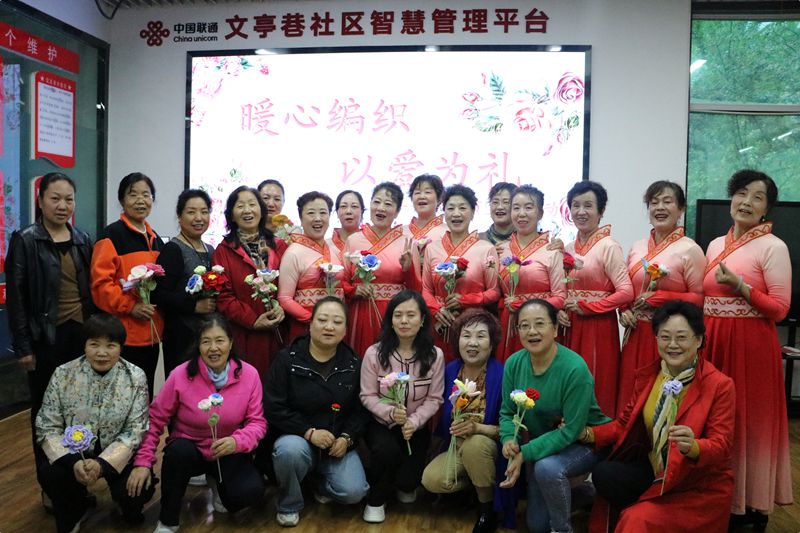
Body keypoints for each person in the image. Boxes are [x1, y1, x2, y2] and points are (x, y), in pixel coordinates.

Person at [585, 301, 735, 533]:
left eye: (681, 337)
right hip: (657, 470)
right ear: (656, 339)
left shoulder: (720, 385)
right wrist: (586, 433)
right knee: (604, 473)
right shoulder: (650, 375)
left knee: (636, 520)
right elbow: (623, 425)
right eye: (665, 337)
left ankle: (642, 514)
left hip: (694, 481)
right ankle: (646, 508)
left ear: (699, 340)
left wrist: (694, 446)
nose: (672, 345)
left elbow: (722, 445)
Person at [702, 169, 792, 527]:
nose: (747, 202)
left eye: (758, 197)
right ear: (731, 198)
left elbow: (780, 309)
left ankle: (752, 506)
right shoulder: (714, 245)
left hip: (752, 348)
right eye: (741, 193)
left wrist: (741, 286)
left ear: (767, 208)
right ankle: (720, 498)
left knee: (750, 422)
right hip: (714, 343)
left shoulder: (773, 247)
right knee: (717, 420)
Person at [128, 313, 267, 533]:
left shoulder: (249, 375)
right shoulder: (180, 375)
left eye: (220, 340)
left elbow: (257, 422)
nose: (214, 348)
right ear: (198, 346)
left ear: (231, 343)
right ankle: (168, 520)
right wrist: (143, 462)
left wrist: (237, 441)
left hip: (228, 449)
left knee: (249, 492)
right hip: (189, 449)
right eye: (206, 341)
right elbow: (154, 420)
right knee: (177, 453)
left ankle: (217, 482)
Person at [5, 172, 95, 502]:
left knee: (79, 411)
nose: (62, 205)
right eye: (55, 198)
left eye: (68, 199)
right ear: (40, 201)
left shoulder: (83, 239)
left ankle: (76, 481)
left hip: (80, 337)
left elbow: (91, 293)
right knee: (46, 415)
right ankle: (51, 485)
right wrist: (24, 347)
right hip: (46, 340)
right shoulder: (26, 240)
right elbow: (17, 299)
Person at [35, 313, 155, 533]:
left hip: (118, 455)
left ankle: (126, 506)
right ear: (84, 345)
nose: (102, 352)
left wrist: (102, 464)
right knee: (50, 473)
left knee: (136, 492)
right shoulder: (63, 374)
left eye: (110, 345)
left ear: (121, 347)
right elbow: (47, 425)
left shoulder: (135, 376)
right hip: (74, 453)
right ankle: (76, 507)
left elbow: (135, 429)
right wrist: (72, 462)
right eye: (94, 344)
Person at [499, 299, 610, 533]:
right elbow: (508, 412)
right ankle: (586, 494)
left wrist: (525, 453)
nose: (532, 331)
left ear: (556, 329)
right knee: (536, 525)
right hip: (545, 445)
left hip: (584, 441)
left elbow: (571, 431)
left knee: (546, 468)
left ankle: (562, 529)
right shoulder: (513, 364)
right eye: (524, 325)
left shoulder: (574, 369)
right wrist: (509, 439)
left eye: (540, 323)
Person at [265, 297, 371, 527]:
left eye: (337, 322)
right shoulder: (287, 359)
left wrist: (347, 437)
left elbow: (361, 410)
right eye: (322, 320)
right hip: (298, 440)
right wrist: (308, 432)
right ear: (310, 324)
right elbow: (274, 407)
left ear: (345, 329)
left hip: (336, 446)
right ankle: (289, 503)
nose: (329, 327)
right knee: (288, 451)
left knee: (354, 492)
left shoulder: (354, 363)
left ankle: (316, 484)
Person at [421, 309, 514, 532]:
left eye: (481, 336)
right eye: (466, 335)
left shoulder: (502, 374)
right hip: (455, 446)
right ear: (458, 341)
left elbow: (508, 428)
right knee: (431, 480)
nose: (472, 343)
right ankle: (475, 487)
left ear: (491, 344)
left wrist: (477, 428)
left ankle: (487, 510)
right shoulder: (450, 370)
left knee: (475, 445)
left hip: (488, 446)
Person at [617, 181, 705, 408]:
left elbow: (699, 298)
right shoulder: (637, 247)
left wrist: (663, 297)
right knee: (630, 391)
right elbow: (626, 288)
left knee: (658, 396)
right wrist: (623, 310)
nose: (660, 208)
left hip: (669, 337)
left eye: (667, 202)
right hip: (636, 332)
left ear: (681, 209)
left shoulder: (690, 249)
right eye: (654, 203)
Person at [360, 290, 445, 523]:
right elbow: (367, 395)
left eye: (411, 315)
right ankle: (376, 500)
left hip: (414, 427)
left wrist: (414, 422)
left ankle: (398, 483)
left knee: (409, 484)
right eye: (398, 315)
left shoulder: (434, 355)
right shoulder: (374, 353)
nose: (404, 321)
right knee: (385, 451)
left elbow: (435, 398)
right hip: (381, 424)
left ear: (422, 319)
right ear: (390, 320)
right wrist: (390, 413)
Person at [557, 180, 633, 416]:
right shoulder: (568, 247)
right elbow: (563, 288)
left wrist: (590, 307)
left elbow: (626, 291)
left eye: (588, 205)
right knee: (568, 379)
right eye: (576, 205)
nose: (581, 211)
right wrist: (560, 310)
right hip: (570, 325)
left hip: (597, 326)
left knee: (595, 378)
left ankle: (596, 432)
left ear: (601, 211)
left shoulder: (609, 246)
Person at [91, 172, 164, 398]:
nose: (140, 200)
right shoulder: (111, 236)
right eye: (133, 195)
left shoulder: (155, 238)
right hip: (124, 336)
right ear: (122, 200)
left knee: (144, 395)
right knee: (121, 397)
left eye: (146, 195)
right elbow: (101, 286)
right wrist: (131, 307)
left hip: (151, 335)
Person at [213, 186, 286, 378]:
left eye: (252, 204)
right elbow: (224, 297)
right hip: (244, 334)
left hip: (279, 331)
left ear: (261, 210)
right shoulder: (223, 250)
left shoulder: (279, 246)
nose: (247, 210)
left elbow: (289, 286)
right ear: (231, 214)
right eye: (240, 206)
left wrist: (281, 307)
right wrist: (253, 320)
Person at [423, 184, 500, 361]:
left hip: (473, 326)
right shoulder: (432, 249)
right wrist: (437, 310)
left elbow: (494, 291)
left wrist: (465, 300)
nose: (456, 213)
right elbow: (426, 290)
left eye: (463, 208)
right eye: (450, 208)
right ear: (444, 213)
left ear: (472, 213)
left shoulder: (486, 249)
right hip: (440, 322)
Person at [342, 182, 414, 355]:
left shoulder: (407, 242)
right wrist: (354, 290)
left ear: (397, 211)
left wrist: (408, 269)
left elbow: (416, 289)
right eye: (376, 202)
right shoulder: (354, 240)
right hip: (361, 311)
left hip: (395, 314)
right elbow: (342, 281)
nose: (381, 208)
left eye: (388, 204)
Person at [496, 185, 566, 362]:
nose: (521, 214)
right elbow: (496, 292)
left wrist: (522, 305)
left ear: (540, 213)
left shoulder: (552, 250)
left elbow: (560, 297)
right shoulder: (500, 250)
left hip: (539, 325)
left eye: (528, 207)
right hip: (508, 323)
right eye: (516, 208)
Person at [153, 189, 217, 376]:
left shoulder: (211, 250)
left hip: (208, 336)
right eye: (191, 212)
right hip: (181, 337)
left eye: (204, 212)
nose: (199, 218)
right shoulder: (173, 249)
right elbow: (158, 295)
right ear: (179, 216)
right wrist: (193, 306)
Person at [278, 191, 346, 342]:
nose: (318, 218)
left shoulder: (336, 250)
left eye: (323, 213)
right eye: (311, 213)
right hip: (305, 327)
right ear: (301, 218)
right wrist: (313, 320)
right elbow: (284, 298)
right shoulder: (293, 253)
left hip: (335, 326)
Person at [404, 174, 447, 290]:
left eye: (428, 192)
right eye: (417, 193)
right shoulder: (401, 232)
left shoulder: (448, 232)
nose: (422, 196)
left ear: (439, 199)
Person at [328, 189, 364, 258]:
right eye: (343, 206)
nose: (348, 211)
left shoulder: (369, 244)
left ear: (362, 211)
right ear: (337, 212)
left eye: (354, 206)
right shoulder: (326, 245)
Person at [479, 182, 517, 247]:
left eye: (506, 202)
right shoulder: (478, 239)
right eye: (495, 202)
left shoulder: (525, 240)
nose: (500, 207)